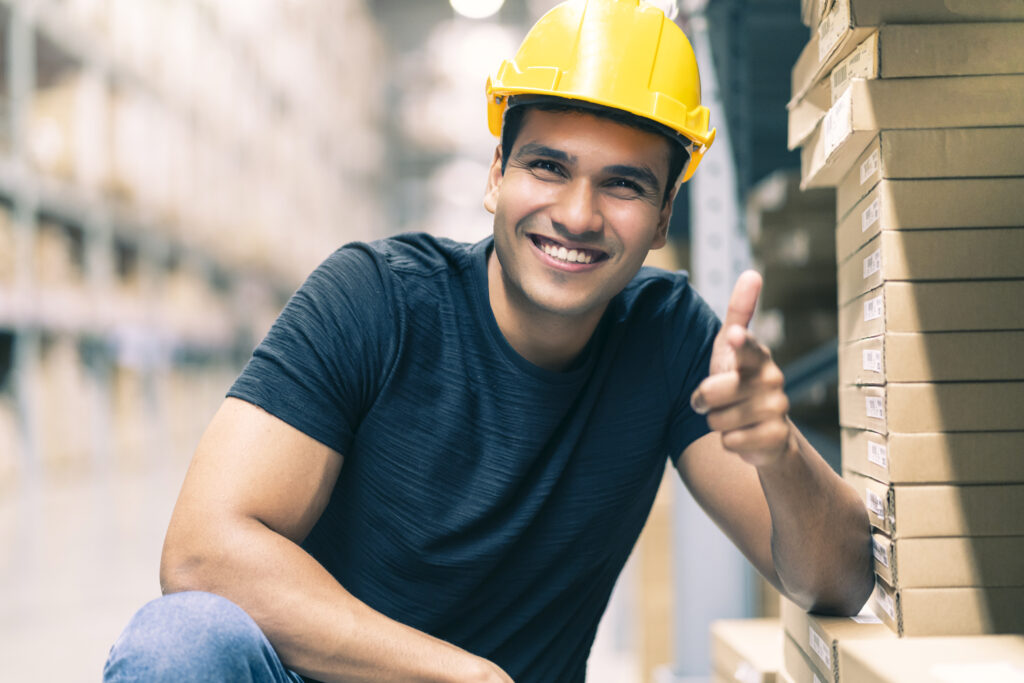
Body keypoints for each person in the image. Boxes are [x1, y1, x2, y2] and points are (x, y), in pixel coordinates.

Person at [104, 1, 873, 681]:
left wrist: (781, 454)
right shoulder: (375, 299)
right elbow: (203, 550)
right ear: (497, 174)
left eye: (624, 184)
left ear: (666, 215)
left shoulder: (668, 339)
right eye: (548, 166)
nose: (577, 214)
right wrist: (457, 675)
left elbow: (836, 583)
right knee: (180, 644)